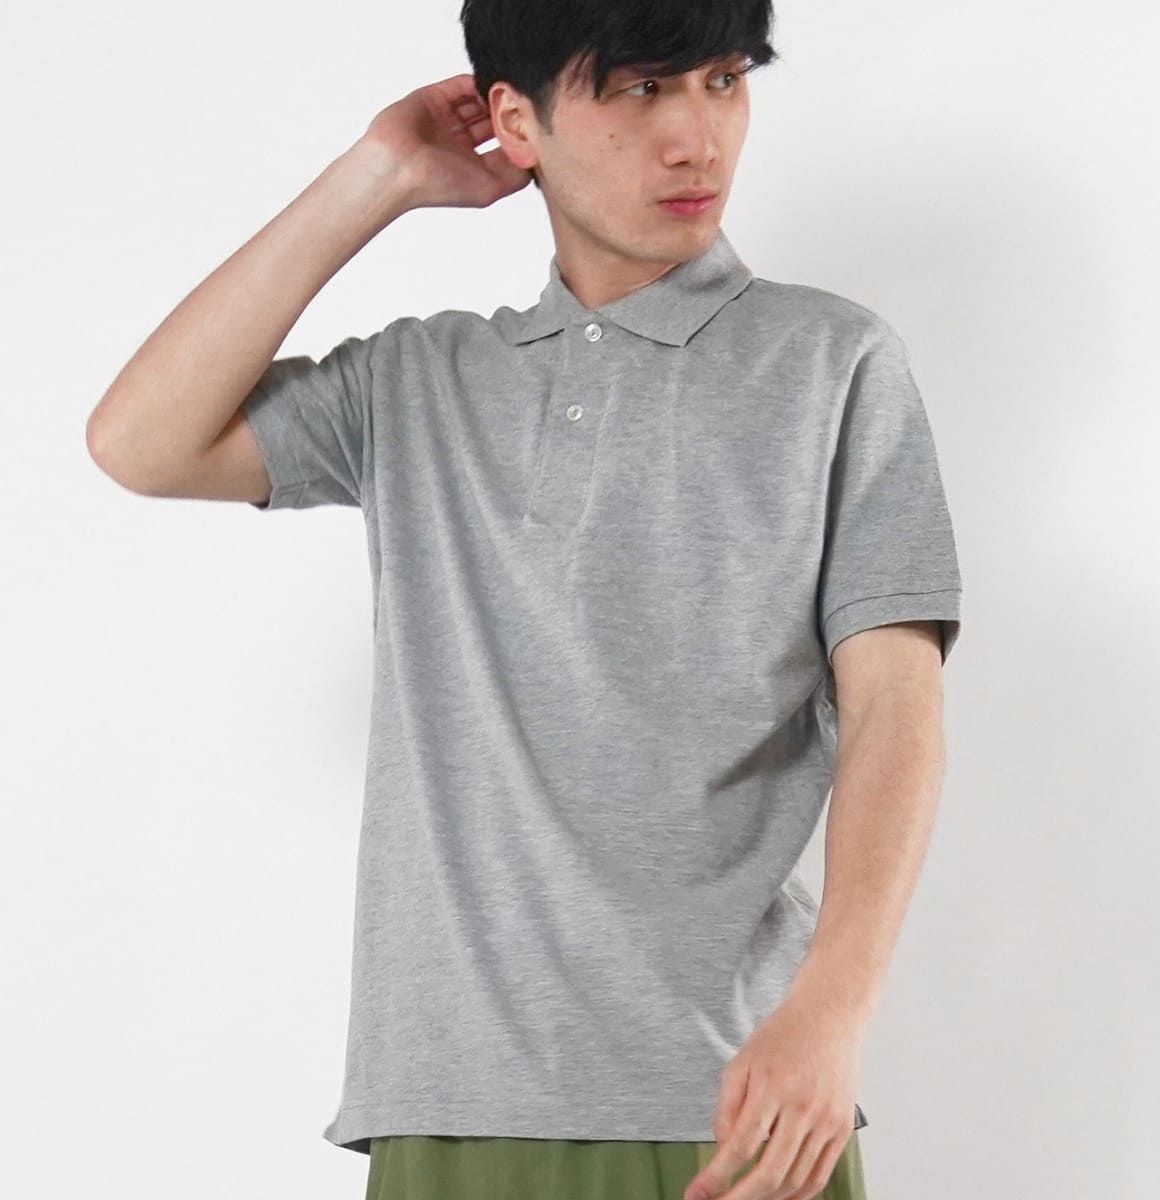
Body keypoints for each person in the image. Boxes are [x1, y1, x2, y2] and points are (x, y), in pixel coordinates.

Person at [86, 2, 963, 1197]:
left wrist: (833, 1011)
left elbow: (898, 706)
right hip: (452, 1101)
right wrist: (378, 178)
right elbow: (140, 442)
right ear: (517, 119)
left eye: (721, 80)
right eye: (642, 89)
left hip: (735, 1101)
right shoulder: (418, 382)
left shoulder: (832, 361)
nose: (697, 137)